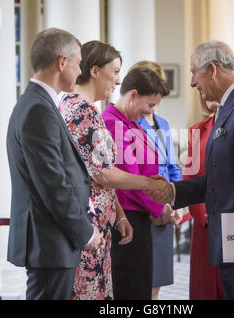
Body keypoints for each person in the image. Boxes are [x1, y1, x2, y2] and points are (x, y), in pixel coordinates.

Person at [148, 40, 234, 300]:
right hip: (233, 244)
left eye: (193, 73)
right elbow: (218, 179)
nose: (191, 83)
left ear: (212, 69)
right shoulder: (228, 110)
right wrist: (173, 190)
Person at [59, 41, 172, 300]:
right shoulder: (83, 109)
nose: (119, 79)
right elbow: (103, 173)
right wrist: (149, 185)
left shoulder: (89, 110)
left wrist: (119, 215)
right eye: (115, 71)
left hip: (103, 221)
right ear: (95, 70)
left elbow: (101, 175)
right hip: (90, 224)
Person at [6, 28, 104, 300]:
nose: (80, 69)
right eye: (79, 62)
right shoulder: (37, 109)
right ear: (62, 62)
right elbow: (53, 184)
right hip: (49, 241)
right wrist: (85, 233)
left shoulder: (39, 104)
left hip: (52, 240)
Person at [102, 67, 179, 300]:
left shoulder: (130, 122)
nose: (151, 111)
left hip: (140, 215)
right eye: (150, 104)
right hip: (127, 218)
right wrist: (160, 209)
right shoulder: (113, 123)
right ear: (133, 94)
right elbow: (130, 178)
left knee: (141, 287)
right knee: (131, 289)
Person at [130, 61, 183, 300]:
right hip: (140, 208)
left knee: (157, 279)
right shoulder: (129, 122)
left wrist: (177, 203)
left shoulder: (162, 124)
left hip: (164, 209)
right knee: (138, 280)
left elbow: (172, 166)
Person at [182, 97, 224, 300]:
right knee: (206, 287)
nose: (204, 94)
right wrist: (202, 215)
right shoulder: (197, 130)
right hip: (205, 222)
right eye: (200, 91)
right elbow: (190, 175)